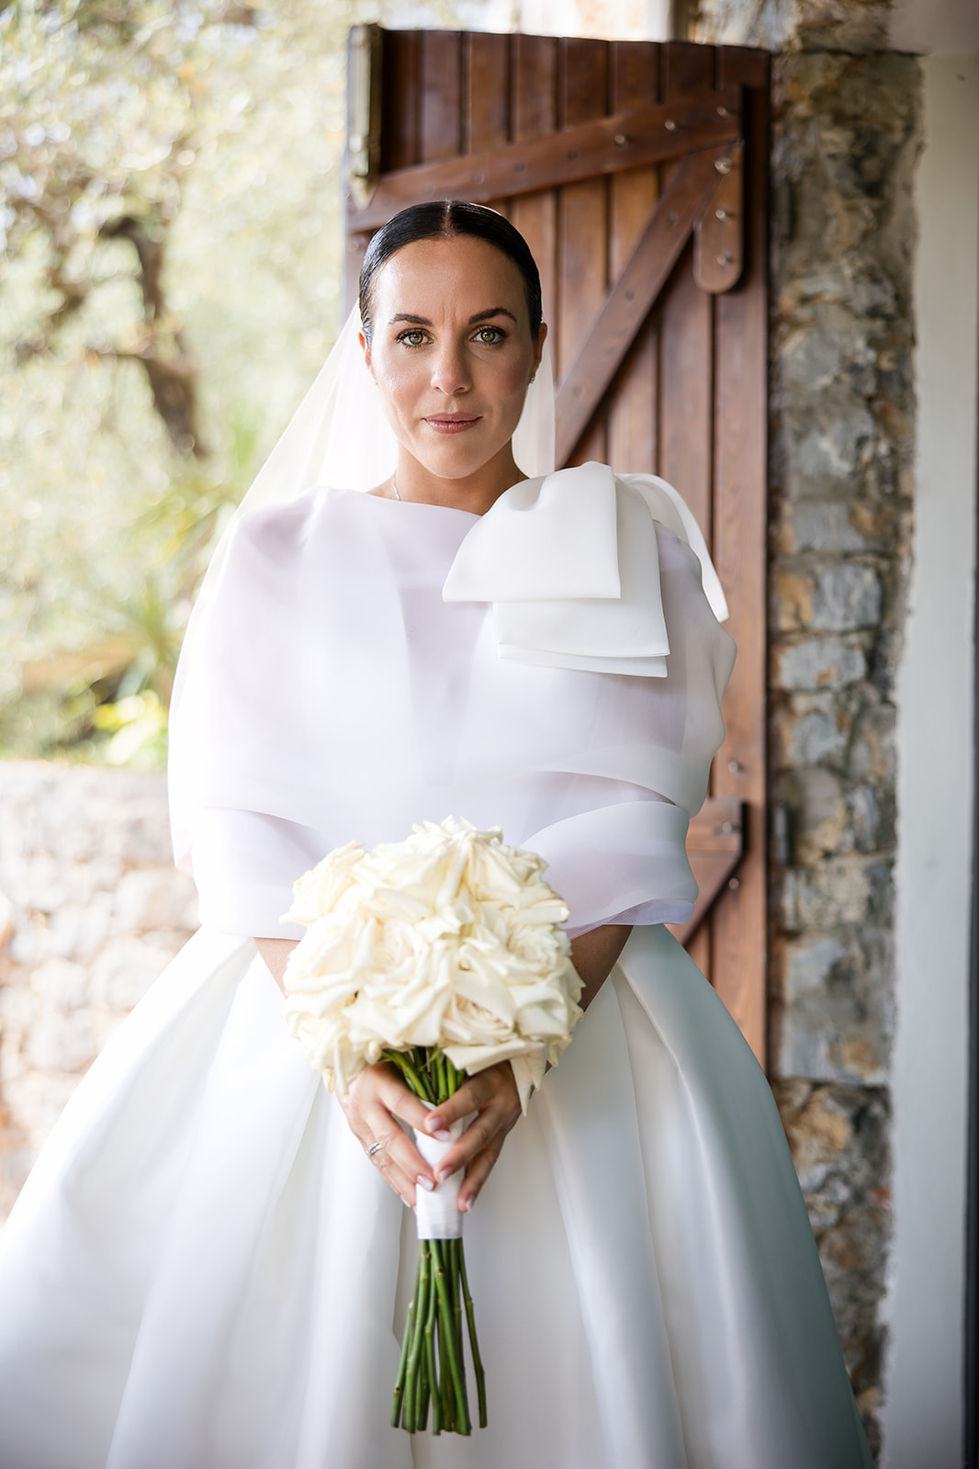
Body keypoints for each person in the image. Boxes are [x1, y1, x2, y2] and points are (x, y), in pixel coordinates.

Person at [0, 201, 874, 1469]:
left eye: (487, 333)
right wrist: (349, 1059)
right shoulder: (275, 552)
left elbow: (639, 821)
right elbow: (241, 820)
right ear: (364, 352)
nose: (447, 375)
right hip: (303, 1035)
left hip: (589, 1040)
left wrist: (518, 1059)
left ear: (533, 350)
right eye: (411, 334)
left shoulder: (632, 550)